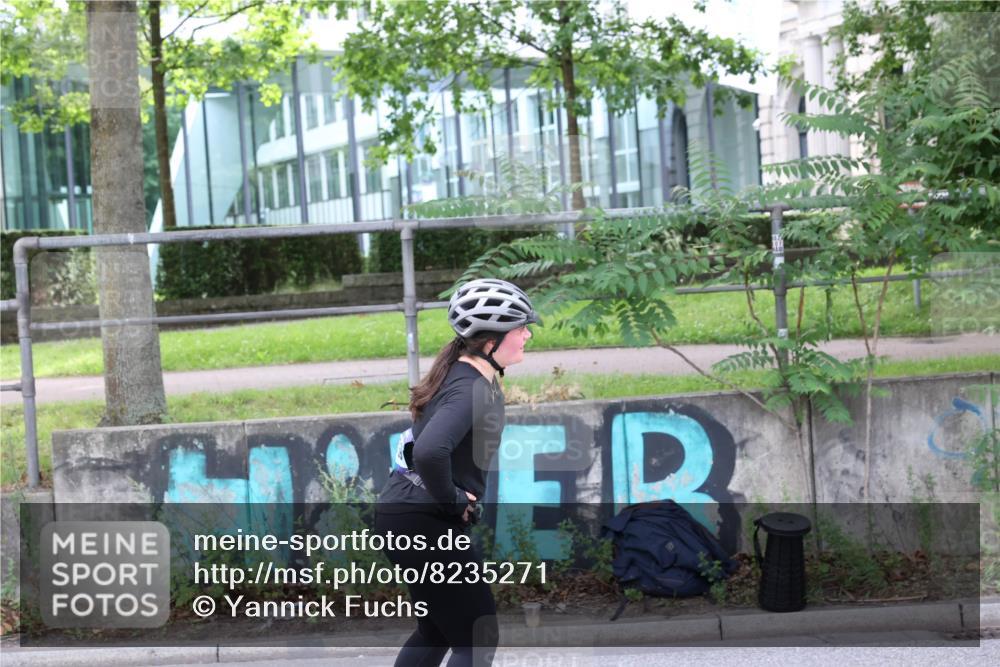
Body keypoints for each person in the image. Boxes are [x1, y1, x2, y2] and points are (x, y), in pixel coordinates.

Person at [375, 278, 540, 667]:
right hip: (423, 522)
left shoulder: (464, 375)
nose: (528, 335)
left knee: (436, 631)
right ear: (490, 342)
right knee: (476, 638)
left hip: (405, 516)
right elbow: (430, 452)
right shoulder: (470, 389)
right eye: (520, 329)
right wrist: (452, 500)